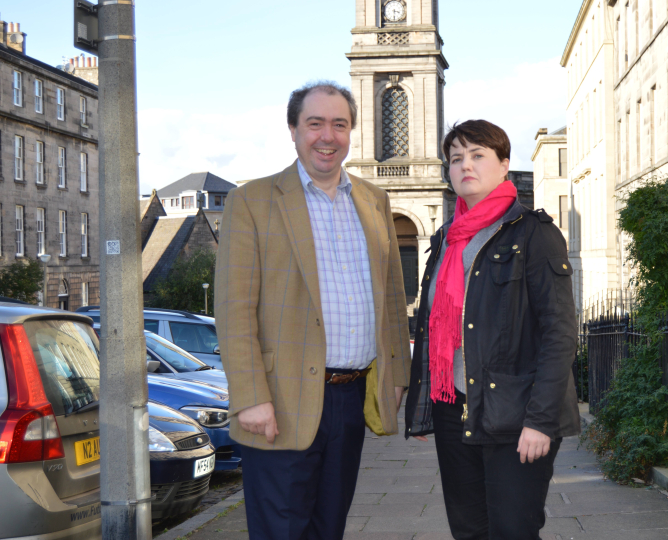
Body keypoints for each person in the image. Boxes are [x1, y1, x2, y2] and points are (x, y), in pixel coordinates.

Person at [215, 81, 412, 540]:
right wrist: (250, 396)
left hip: (351, 397)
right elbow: (234, 308)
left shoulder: (372, 200)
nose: (328, 136)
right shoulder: (253, 201)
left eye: (339, 125)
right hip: (279, 402)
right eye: (315, 123)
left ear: (350, 133)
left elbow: (391, 297)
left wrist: (397, 375)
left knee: (330, 529)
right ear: (293, 130)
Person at [404, 119, 581, 540]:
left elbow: (560, 334)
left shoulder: (534, 234)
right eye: (456, 158)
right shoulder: (446, 239)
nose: (466, 165)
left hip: (517, 414)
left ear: (504, 164)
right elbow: (431, 329)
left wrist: (540, 421)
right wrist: (429, 405)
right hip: (455, 411)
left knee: (513, 531)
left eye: (478, 155)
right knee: (469, 531)